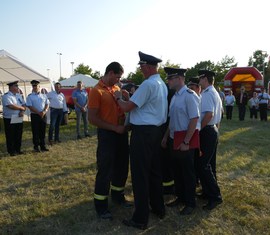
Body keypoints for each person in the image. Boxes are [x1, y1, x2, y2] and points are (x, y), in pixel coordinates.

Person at [114, 51, 168, 230]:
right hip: (155, 132)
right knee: (154, 172)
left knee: (140, 176)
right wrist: (129, 100)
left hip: (143, 134)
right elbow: (142, 106)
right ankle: (158, 208)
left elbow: (127, 107)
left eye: (141, 66)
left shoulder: (147, 84)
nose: (141, 70)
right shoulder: (161, 84)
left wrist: (119, 99)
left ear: (147, 66)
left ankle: (140, 218)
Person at [88, 62, 131, 220]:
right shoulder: (96, 91)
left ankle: (118, 197)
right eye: (118, 77)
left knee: (121, 166)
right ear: (110, 73)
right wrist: (114, 128)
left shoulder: (117, 89)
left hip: (121, 133)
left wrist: (127, 98)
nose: (119, 80)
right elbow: (92, 118)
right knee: (105, 169)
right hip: (108, 134)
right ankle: (101, 205)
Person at [162, 67, 200, 215]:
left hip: (185, 139)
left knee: (187, 172)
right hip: (174, 138)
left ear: (179, 78)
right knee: (177, 171)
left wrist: (186, 142)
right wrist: (166, 137)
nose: (168, 81)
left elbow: (194, 119)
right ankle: (181, 197)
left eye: (170, 78)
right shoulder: (176, 96)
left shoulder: (190, 95)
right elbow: (171, 120)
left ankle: (190, 202)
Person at [197, 70, 223, 210]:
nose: (199, 80)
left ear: (205, 79)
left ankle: (215, 196)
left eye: (200, 78)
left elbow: (208, 114)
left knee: (203, 164)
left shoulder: (207, 93)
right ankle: (208, 192)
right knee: (210, 164)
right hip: (212, 129)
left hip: (207, 130)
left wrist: (199, 130)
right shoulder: (214, 92)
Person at [2, 81, 26, 156]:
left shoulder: (19, 95)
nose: (17, 87)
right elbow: (10, 106)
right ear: (11, 87)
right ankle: (11, 151)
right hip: (9, 118)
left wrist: (22, 111)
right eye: (16, 86)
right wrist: (21, 108)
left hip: (18, 116)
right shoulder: (6, 96)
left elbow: (24, 104)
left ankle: (18, 149)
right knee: (10, 135)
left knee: (18, 134)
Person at [26, 80, 50, 152]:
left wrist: (44, 111)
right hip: (35, 115)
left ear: (39, 86)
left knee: (42, 131)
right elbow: (30, 106)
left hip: (43, 115)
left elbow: (47, 104)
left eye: (36, 86)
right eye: (33, 86)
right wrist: (39, 112)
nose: (35, 87)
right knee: (35, 131)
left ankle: (43, 146)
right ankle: (36, 147)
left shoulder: (44, 95)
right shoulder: (30, 96)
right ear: (32, 87)